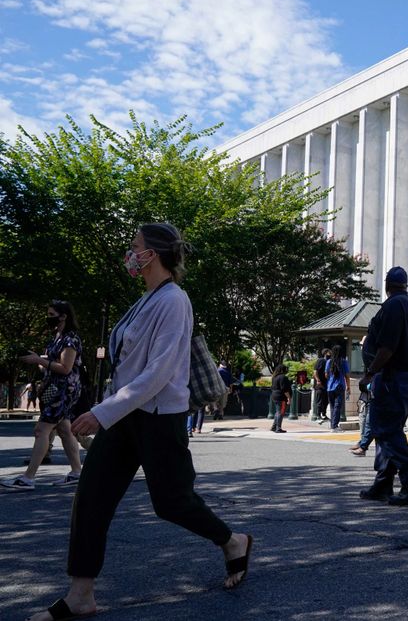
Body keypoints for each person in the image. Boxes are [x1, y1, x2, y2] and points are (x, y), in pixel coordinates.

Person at [24, 223, 252, 621]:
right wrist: (110, 408)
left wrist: (102, 412)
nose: (130, 254)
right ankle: (80, 595)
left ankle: (232, 541)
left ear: (154, 254)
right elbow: (129, 365)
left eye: (135, 247)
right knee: (90, 497)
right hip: (125, 415)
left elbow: (158, 373)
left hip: (159, 418)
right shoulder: (146, 299)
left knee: (172, 503)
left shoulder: (174, 300)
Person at [357, 266, 408, 506]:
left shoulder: (393, 306)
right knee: (389, 428)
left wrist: (369, 374)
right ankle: (383, 482)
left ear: (387, 284)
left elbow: (387, 347)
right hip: (405, 375)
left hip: (393, 376)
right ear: (405, 284)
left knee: (385, 429)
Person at [2, 300, 84, 491]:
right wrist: (39, 359)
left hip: (62, 390)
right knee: (64, 430)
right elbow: (54, 362)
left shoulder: (70, 339)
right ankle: (76, 472)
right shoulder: (58, 337)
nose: (48, 318)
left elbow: (65, 368)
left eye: (51, 315)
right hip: (56, 389)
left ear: (63, 316)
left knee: (41, 430)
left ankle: (28, 478)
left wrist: (39, 359)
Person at [350, 335, 374, 457]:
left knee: (369, 420)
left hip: (374, 392)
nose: (361, 348)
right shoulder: (367, 358)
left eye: (363, 345)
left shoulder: (373, 357)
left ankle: (363, 445)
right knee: (365, 418)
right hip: (367, 393)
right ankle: (362, 443)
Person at [324, 345, 350, 430]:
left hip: (330, 387)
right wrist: (348, 387)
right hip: (340, 386)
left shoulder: (328, 361)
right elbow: (347, 376)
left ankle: (333, 425)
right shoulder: (343, 362)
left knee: (332, 407)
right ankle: (334, 426)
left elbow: (326, 375)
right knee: (337, 406)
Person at [269, 364, 291, 433]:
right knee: (281, 412)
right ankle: (278, 428)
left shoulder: (274, 377)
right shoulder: (283, 377)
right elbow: (284, 389)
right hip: (281, 397)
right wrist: (289, 398)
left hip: (274, 395)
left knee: (277, 411)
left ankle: (274, 427)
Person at [313, 348, 329, 422]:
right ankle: (318, 415)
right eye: (329, 353)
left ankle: (324, 414)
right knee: (320, 400)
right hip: (320, 384)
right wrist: (318, 380)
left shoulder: (328, 361)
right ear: (325, 353)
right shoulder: (321, 360)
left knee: (326, 400)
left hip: (326, 384)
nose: (330, 354)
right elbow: (315, 372)